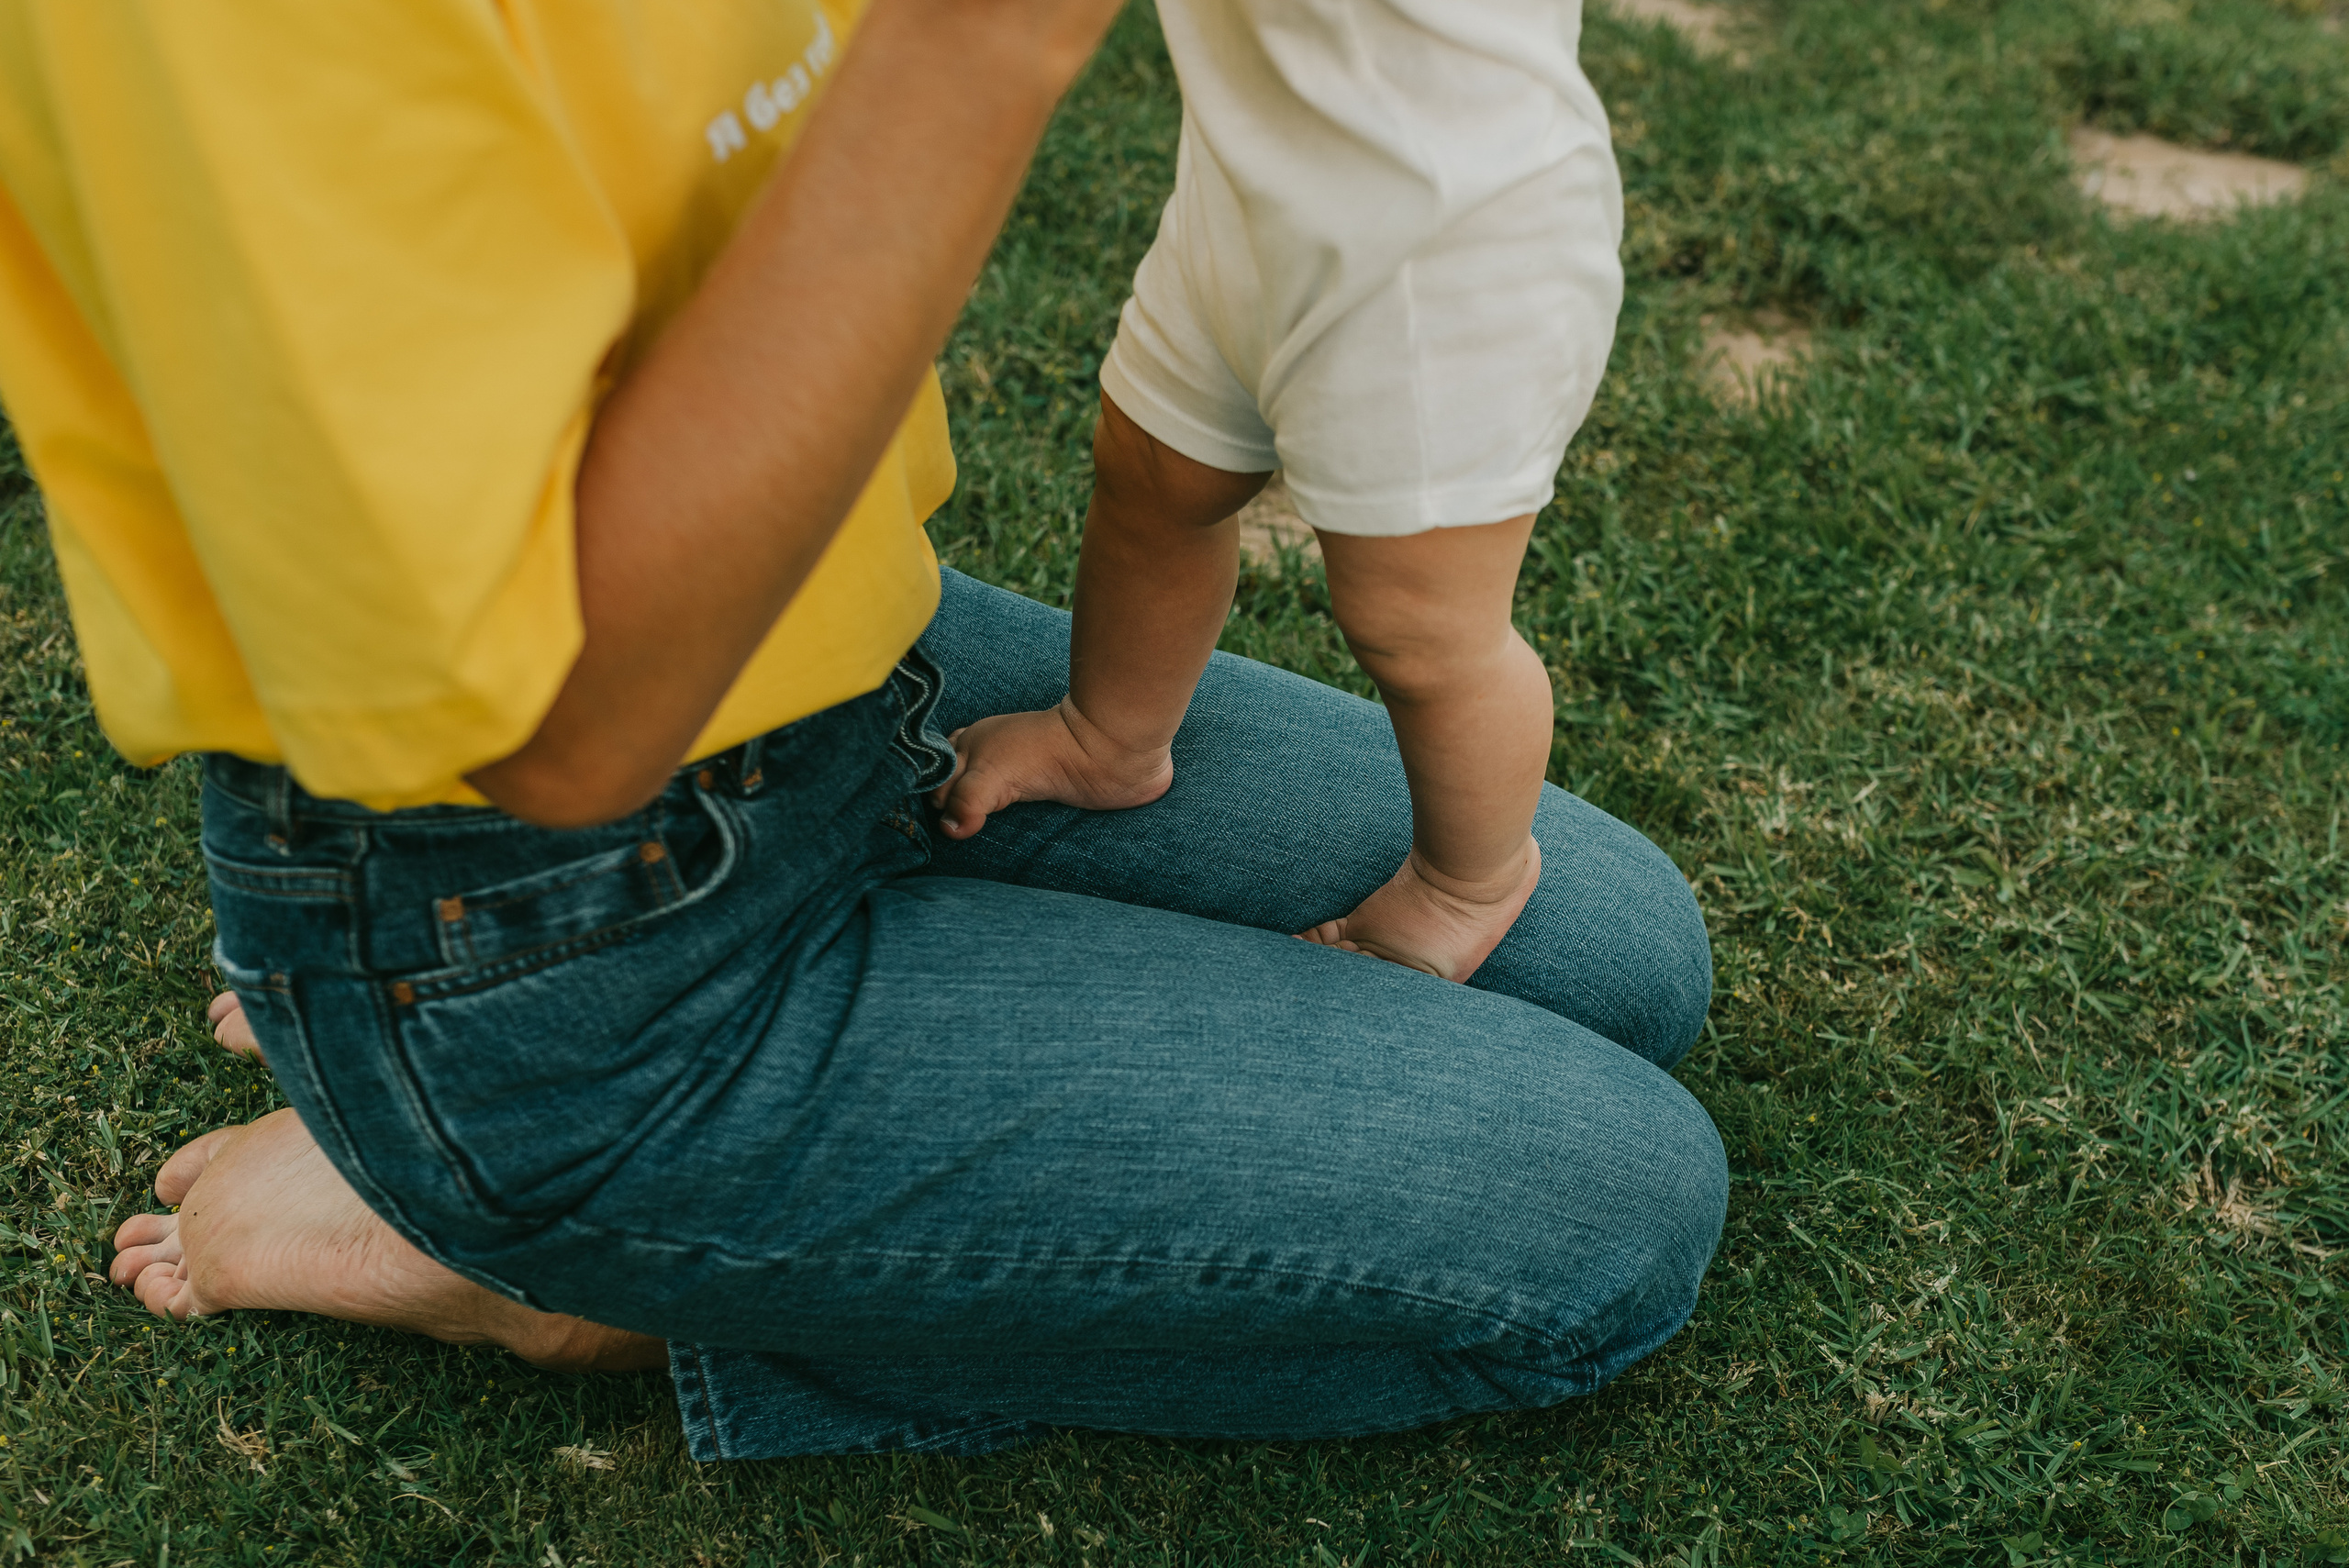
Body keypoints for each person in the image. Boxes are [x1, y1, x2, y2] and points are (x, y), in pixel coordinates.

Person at [0, 0, 1723, 1460]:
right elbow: (560, 722)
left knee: (1614, 946)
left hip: (842, 657)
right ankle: (549, 1237)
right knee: (1610, 1221)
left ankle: (734, 1161)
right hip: (542, 888)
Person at [935, 0, 1622, 984]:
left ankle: (1468, 878)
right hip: (1250, 189)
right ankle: (1110, 735)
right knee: (1153, 474)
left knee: (1417, 620)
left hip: (1443, 246)